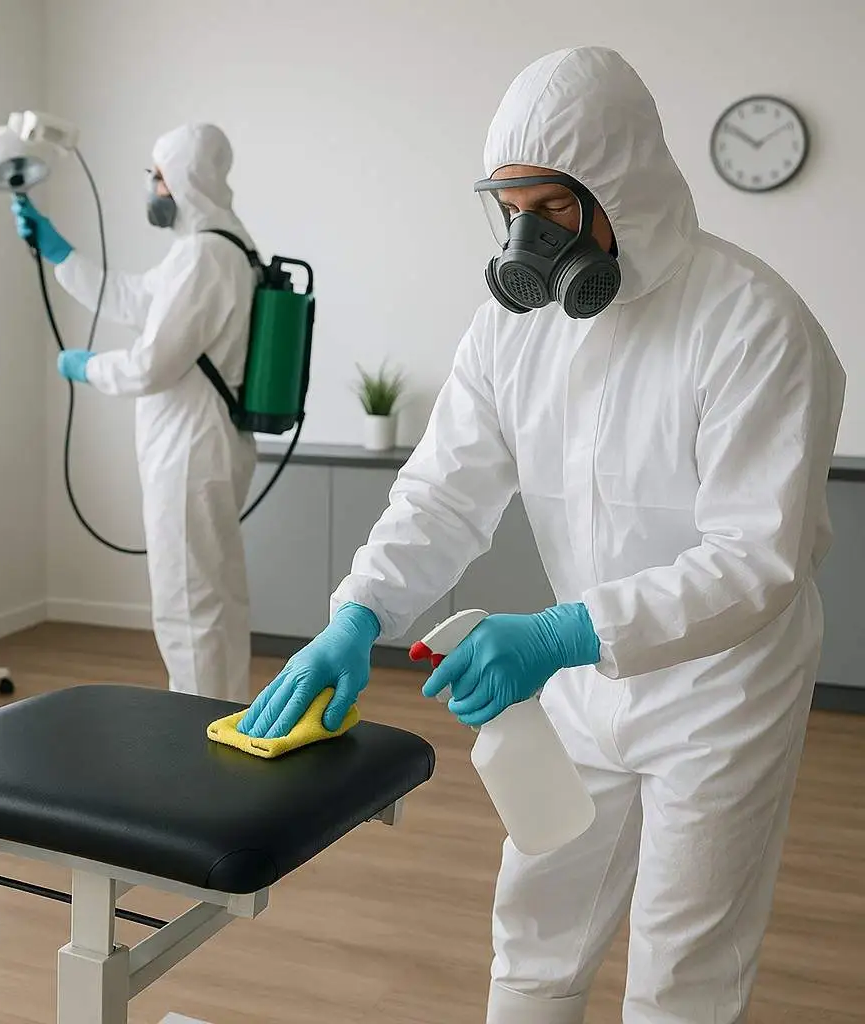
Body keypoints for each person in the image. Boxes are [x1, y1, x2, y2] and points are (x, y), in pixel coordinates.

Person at [239, 46, 845, 1024]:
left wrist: (563, 632)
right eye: (509, 206)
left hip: (719, 692)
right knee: (537, 914)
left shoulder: (753, 323)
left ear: (623, 187)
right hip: (576, 690)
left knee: (686, 950)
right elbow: (441, 492)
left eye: (553, 207)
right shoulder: (507, 334)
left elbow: (754, 560)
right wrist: (359, 611)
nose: (527, 236)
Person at [12, 124, 257, 702]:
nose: (151, 187)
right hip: (203, 447)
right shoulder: (214, 247)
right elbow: (133, 299)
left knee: (189, 603)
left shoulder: (205, 256)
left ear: (181, 182)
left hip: (192, 452)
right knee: (210, 595)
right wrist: (62, 254)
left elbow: (152, 366)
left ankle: (199, 745)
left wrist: (88, 368)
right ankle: (221, 719)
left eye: (157, 177)